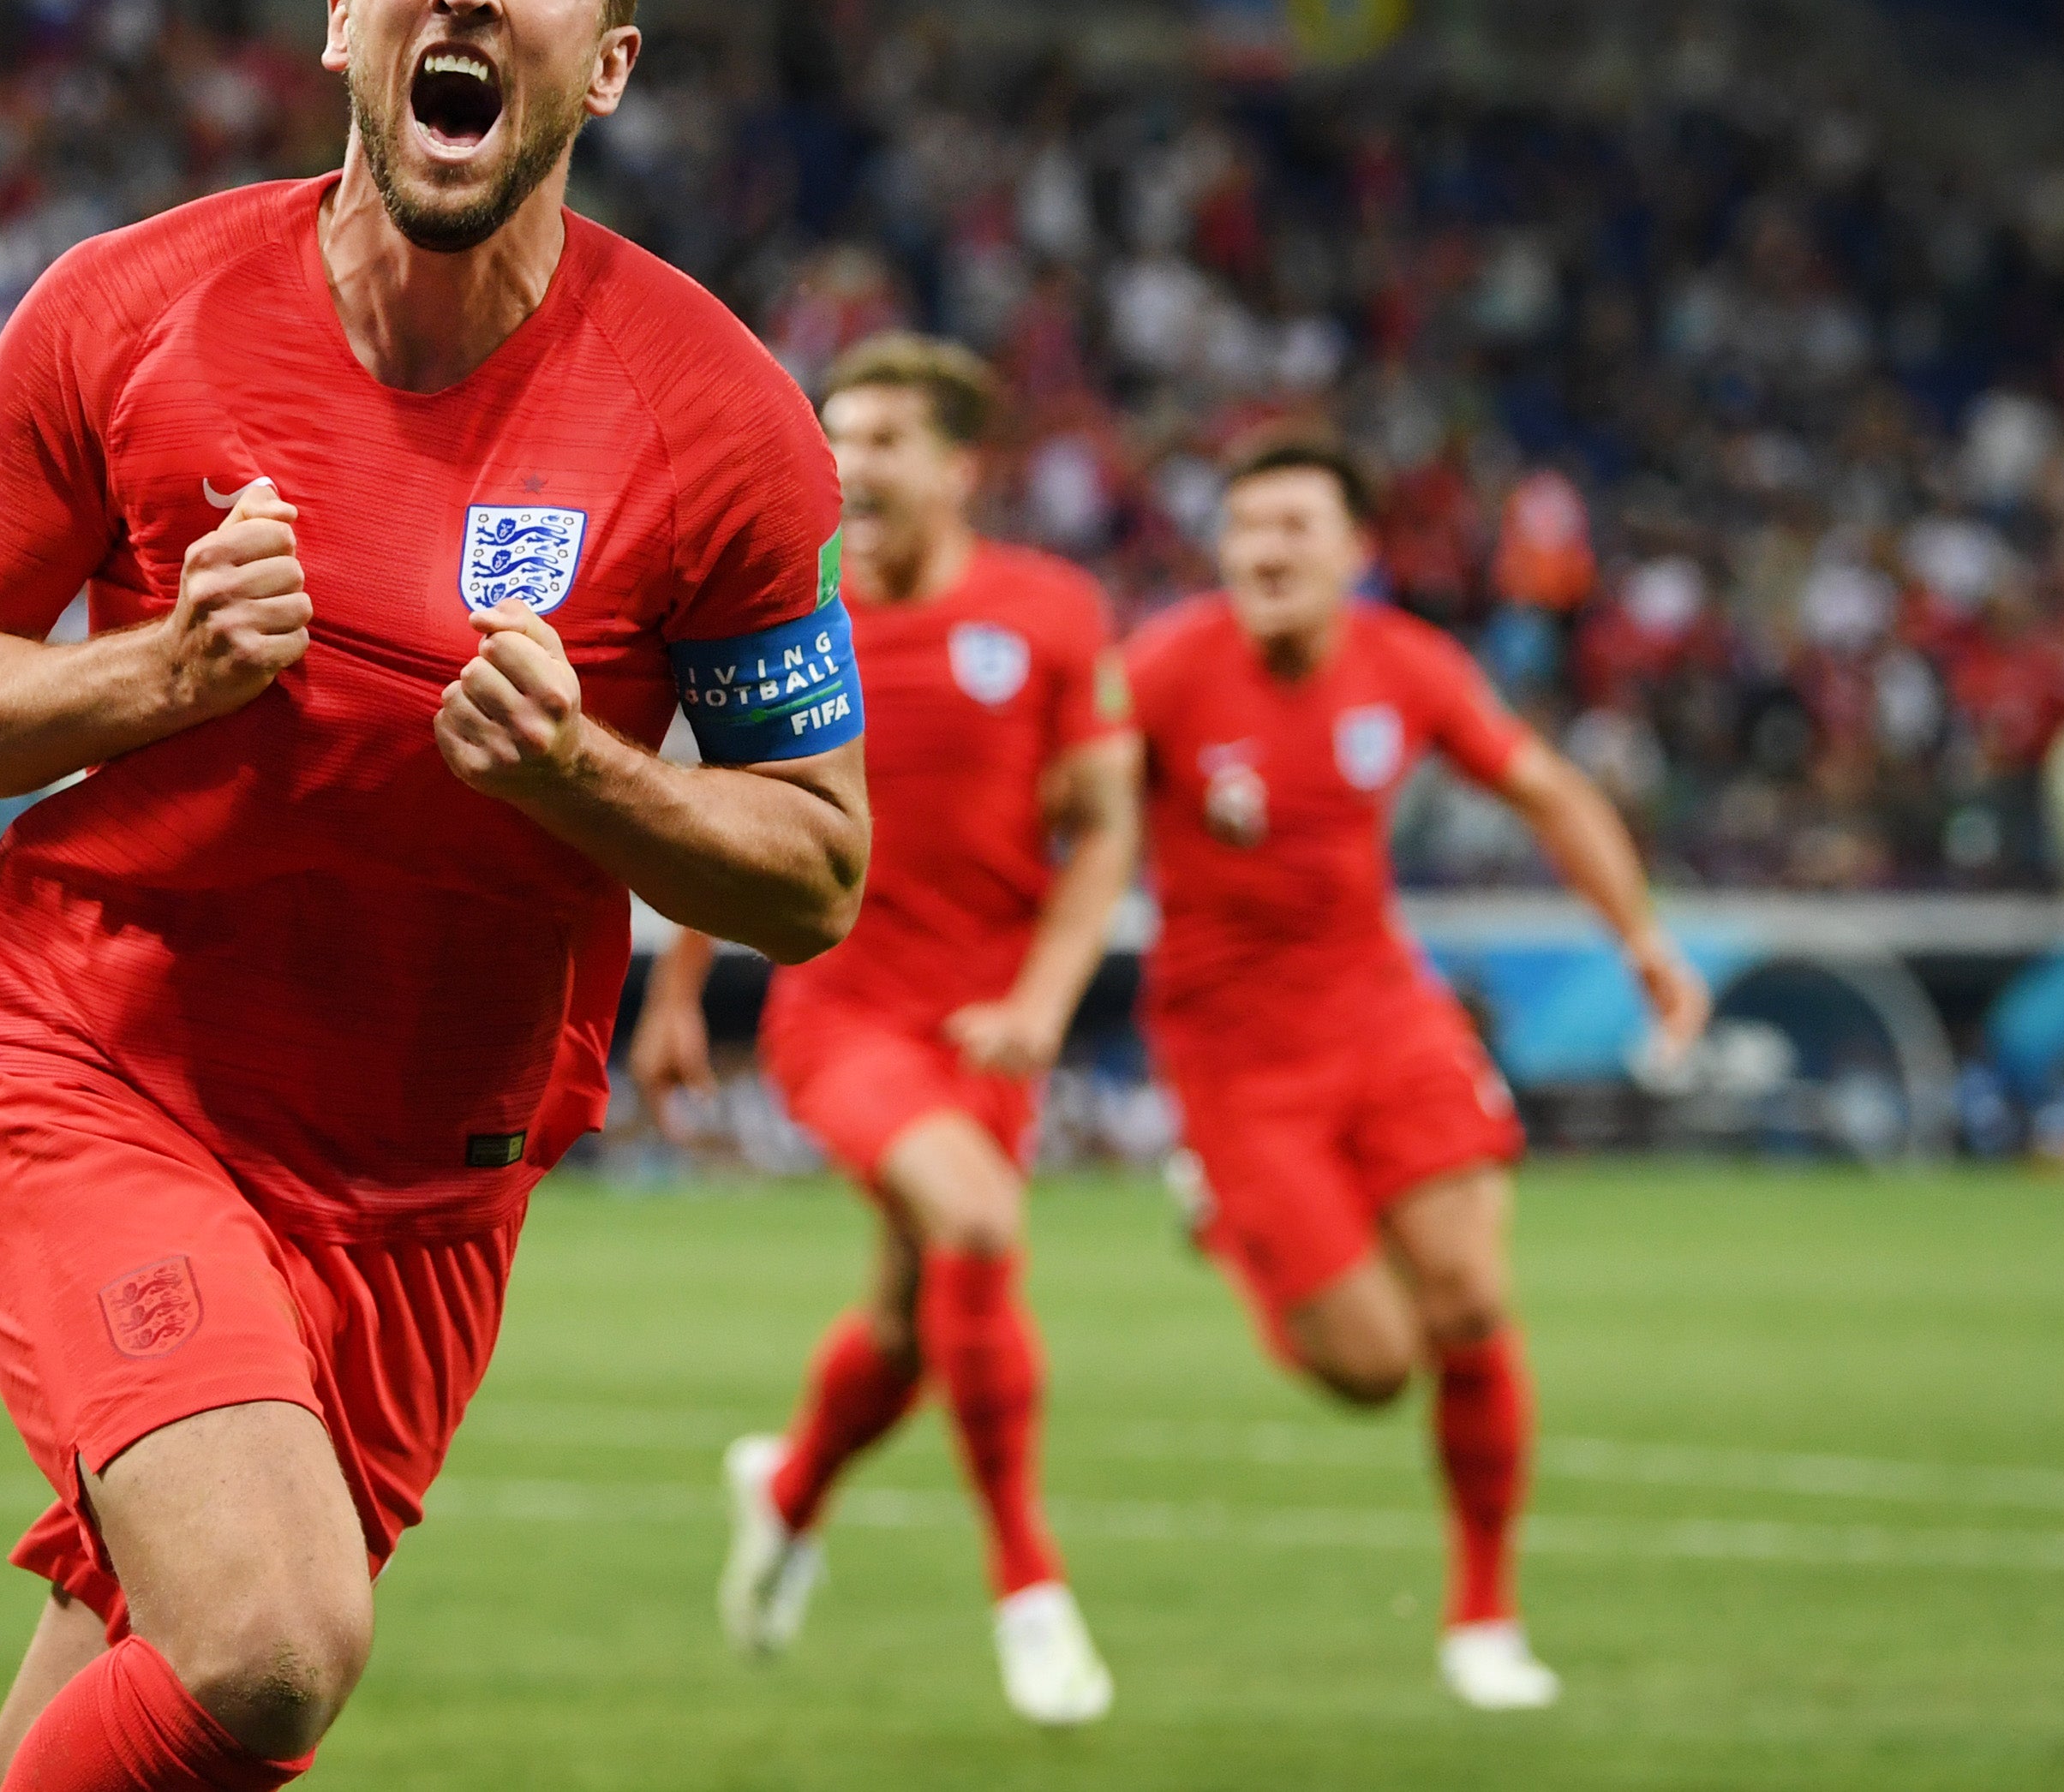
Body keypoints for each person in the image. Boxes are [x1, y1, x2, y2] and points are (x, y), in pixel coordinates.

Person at [0, 0, 870, 1792]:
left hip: (429, 1190)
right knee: (271, 1642)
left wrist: (579, 775)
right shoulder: (120, 314)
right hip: (116, 1080)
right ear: (341, 18)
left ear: (606, 63)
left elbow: (813, 868)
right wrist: (157, 670)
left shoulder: (723, 423)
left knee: (169, 1702)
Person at [1077, 429, 1710, 1710]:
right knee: (1371, 1372)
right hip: (1233, 1061)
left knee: (1470, 1297)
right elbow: (1057, 813)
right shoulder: (1158, 672)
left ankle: (1483, 1615)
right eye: (1245, 526)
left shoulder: (1408, 666)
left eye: (1295, 526)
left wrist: (1643, 941)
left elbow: (1550, 792)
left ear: (1356, 552)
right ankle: (1228, 1221)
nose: (1265, 548)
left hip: (1383, 1015)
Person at [630, 335, 1128, 1724]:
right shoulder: (797, 609)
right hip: (838, 1012)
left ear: (961, 467)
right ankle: (1027, 1589)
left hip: (983, 1035)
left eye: (884, 437)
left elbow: (1102, 834)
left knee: (915, 1326)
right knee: (970, 1221)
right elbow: (736, 808)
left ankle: (783, 1495)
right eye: (834, 433)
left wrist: (1036, 1002)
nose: (848, 462)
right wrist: (674, 997)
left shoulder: (1048, 611)